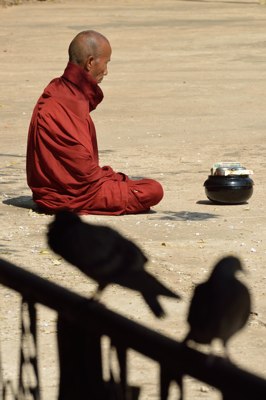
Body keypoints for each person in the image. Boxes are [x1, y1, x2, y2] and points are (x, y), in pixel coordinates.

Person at [26, 30, 163, 215]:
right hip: (70, 195)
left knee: (136, 183)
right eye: (105, 63)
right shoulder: (63, 103)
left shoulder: (60, 90)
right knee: (152, 190)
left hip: (64, 189)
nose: (106, 71)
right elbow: (84, 176)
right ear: (90, 62)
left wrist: (112, 178)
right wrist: (112, 181)